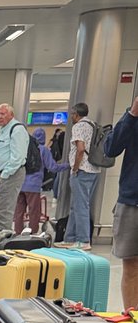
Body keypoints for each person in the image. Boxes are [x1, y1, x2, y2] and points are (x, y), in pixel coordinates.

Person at [104, 94, 138, 310]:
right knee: (131, 265)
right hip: (132, 200)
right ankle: (132, 322)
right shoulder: (132, 118)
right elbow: (110, 148)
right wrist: (132, 113)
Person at [14, 127, 67, 235]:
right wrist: (68, 165)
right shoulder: (43, 150)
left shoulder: (25, 148)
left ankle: (17, 233)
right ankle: (32, 233)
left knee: (19, 211)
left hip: (20, 184)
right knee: (34, 212)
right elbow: (53, 167)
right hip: (33, 186)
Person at [0, 103, 30, 230]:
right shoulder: (4, 130)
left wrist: (5, 174)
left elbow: (18, 157)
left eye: (3, 114)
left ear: (11, 115)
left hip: (11, 174)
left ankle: (3, 240)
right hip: (1, 174)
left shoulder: (17, 130)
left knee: (4, 211)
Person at [65, 102, 99, 249]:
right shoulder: (93, 125)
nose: (71, 117)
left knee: (80, 206)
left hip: (82, 170)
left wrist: (75, 168)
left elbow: (80, 149)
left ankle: (83, 240)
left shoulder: (78, 126)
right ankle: (70, 238)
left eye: (72, 114)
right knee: (77, 205)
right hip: (94, 170)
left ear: (76, 114)